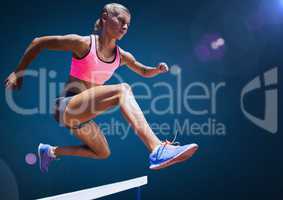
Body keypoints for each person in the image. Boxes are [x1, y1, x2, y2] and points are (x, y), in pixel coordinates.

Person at [4, 3, 198, 172]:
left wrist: (155, 70)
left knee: (102, 152)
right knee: (122, 89)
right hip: (66, 106)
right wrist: (16, 72)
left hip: (81, 117)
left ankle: (50, 151)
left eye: (128, 24)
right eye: (121, 20)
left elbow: (143, 71)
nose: (125, 26)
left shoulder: (123, 56)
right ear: (105, 18)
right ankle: (156, 148)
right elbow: (39, 43)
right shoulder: (83, 44)